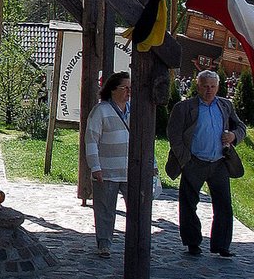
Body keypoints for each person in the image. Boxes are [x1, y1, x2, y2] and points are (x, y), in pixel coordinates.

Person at [167, 69, 247, 258]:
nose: (209, 90)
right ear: (198, 86)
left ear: (218, 87)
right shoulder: (184, 107)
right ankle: (193, 242)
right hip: (194, 161)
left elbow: (240, 126)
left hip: (219, 161)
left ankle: (222, 245)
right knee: (188, 204)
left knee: (224, 205)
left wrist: (234, 136)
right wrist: (185, 159)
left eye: (212, 86)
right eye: (205, 86)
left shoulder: (225, 105)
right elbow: (174, 135)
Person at [84, 71, 156, 259]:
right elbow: (91, 139)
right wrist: (95, 166)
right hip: (107, 171)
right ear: (113, 90)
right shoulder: (101, 111)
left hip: (131, 171)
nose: (129, 92)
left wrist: (152, 164)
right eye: (125, 88)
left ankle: (137, 243)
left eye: (131, 88)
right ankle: (104, 243)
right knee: (105, 209)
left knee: (137, 209)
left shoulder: (135, 110)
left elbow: (145, 140)